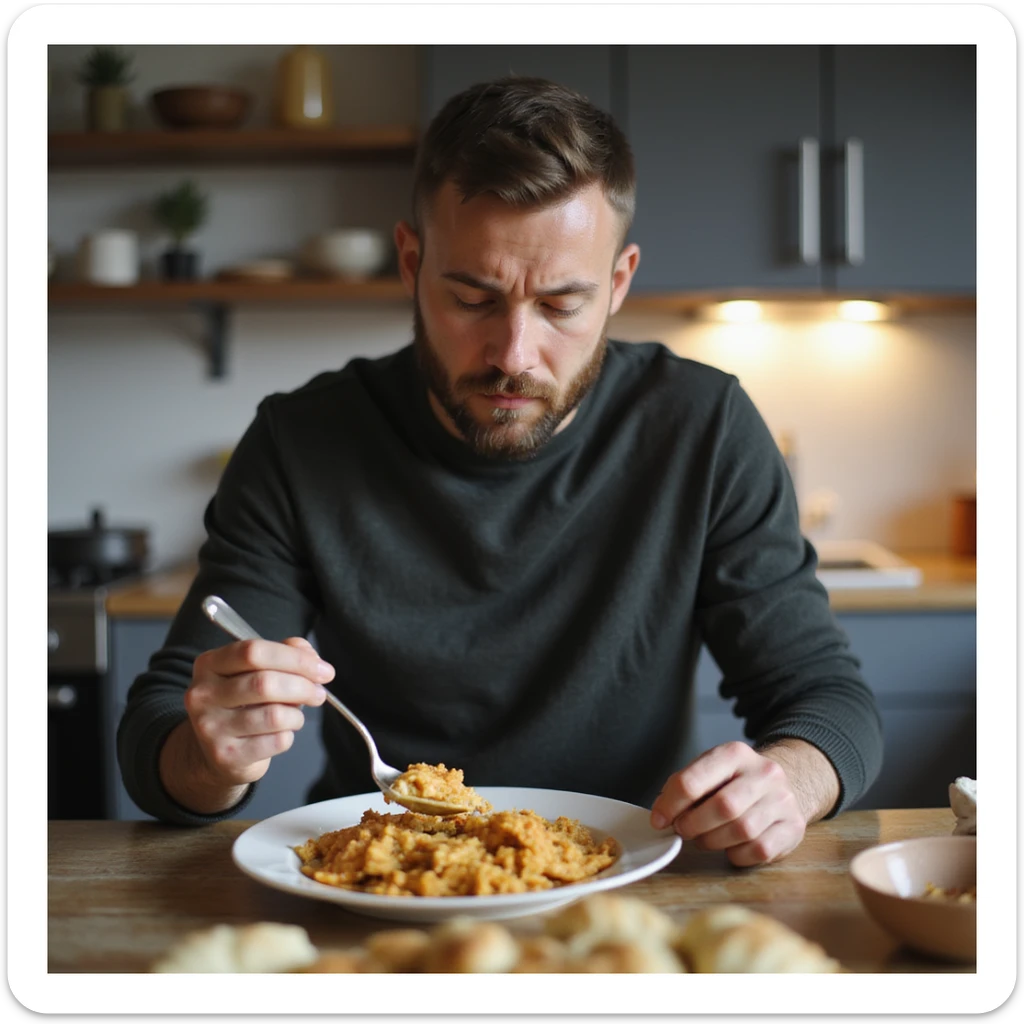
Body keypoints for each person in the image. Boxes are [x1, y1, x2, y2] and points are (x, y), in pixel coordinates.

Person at [118, 76, 882, 867]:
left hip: (626, 880)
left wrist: (790, 781)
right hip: (381, 885)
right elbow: (157, 735)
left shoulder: (705, 428)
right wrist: (213, 759)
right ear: (411, 261)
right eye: (473, 297)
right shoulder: (301, 440)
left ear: (618, 283)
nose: (514, 355)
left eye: (560, 305)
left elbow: (829, 701)